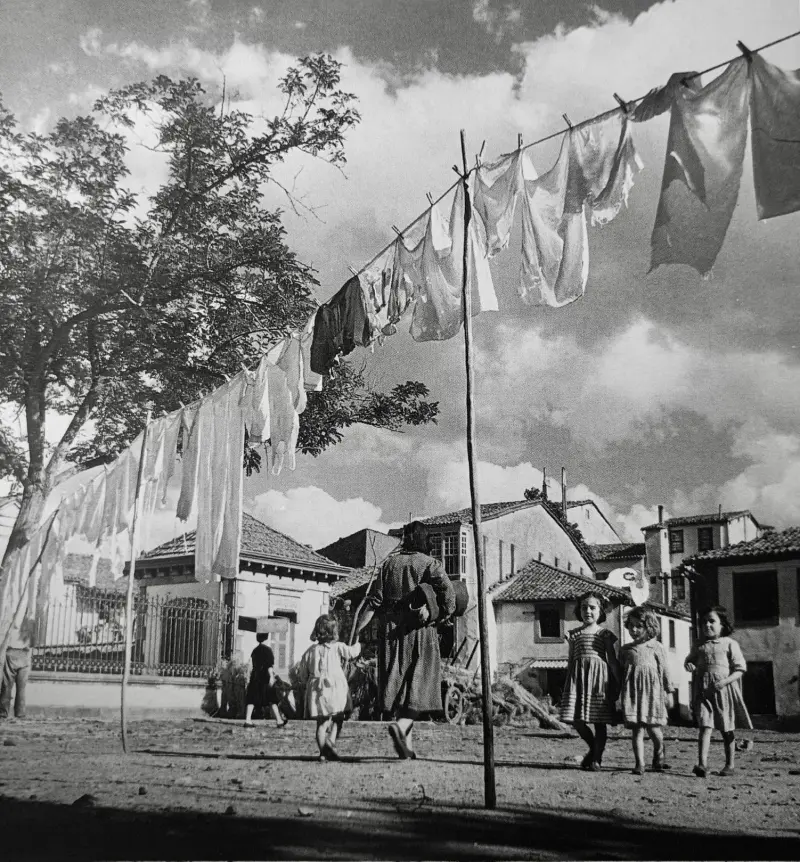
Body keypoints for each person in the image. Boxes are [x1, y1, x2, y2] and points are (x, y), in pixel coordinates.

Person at [355, 520, 456, 760]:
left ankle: (407, 747)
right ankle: (401, 728)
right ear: (425, 540)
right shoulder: (430, 564)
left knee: (398, 688)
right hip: (420, 632)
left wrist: (357, 631)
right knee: (419, 687)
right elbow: (450, 597)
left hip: (390, 633)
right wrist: (439, 614)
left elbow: (374, 602)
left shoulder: (389, 564)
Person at [684, 605, 752, 778]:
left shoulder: (730, 644)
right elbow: (689, 662)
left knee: (726, 727)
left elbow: (740, 669)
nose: (707, 625)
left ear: (722, 624)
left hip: (723, 690)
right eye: (704, 622)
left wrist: (725, 682)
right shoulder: (698, 645)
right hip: (703, 691)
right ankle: (702, 764)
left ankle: (729, 765)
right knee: (705, 726)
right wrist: (689, 665)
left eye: (712, 621)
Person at [560, 591, 621, 771]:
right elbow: (571, 660)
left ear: (600, 611)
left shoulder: (605, 634)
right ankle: (594, 749)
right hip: (578, 680)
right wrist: (568, 683)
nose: (588, 611)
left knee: (599, 721)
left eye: (592, 607)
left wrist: (618, 683)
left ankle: (597, 759)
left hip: (599, 681)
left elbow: (612, 660)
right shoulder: (573, 634)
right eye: (584, 607)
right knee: (577, 720)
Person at [292, 614, 361, 761]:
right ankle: (330, 743)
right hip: (336, 689)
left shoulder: (310, 651)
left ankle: (323, 752)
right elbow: (352, 653)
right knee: (339, 717)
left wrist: (307, 682)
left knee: (321, 723)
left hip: (317, 690)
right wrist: (358, 643)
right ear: (334, 632)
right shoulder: (338, 647)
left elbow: (302, 673)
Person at [620, 606, 673, 775]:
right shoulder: (625, 650)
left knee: (654, 729)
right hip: (633, 694)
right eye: (631, 626)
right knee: (637, 729)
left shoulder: (656, 647)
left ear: (649, 627)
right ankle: (639, 763)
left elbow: (665, 670)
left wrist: (669, 692)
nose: (634, 630)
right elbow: (622, 672)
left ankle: (659, 751)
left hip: (653, 694)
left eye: (639, 626)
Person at [243, 633, 287, 728]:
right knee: (272, 699)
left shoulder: (254, 650)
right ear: (266, 638)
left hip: (255, 678)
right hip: (265, 678)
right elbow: (269, 666)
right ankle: (279, 720)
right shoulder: (268, 650)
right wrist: (271, 678)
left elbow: (250, 665)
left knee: (252, 699)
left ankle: (247, 720)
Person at [0, 616, 35, 721]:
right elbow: (33, 643)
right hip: (25, 654)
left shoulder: (11, 620)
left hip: (11, 653)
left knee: (7, 685)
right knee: (21, 687)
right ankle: (20, 713)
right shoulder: (30, 623)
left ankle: (3, 712)